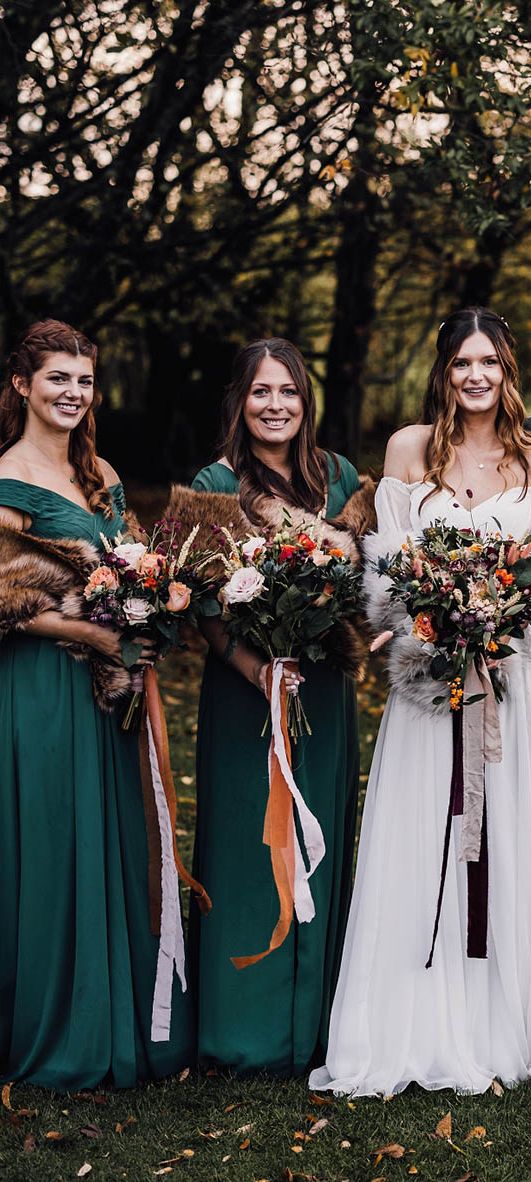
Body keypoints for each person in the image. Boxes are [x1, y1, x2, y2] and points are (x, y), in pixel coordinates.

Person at [310, 307, 531, 1097]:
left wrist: (502, 622)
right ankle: (413, 1023)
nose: (477, 376)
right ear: (443, 372)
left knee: (507, 837)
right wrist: (431, 624)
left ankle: (499, 1018)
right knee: (424, 835)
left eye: (492, 363)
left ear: (509, 371)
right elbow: (385, 573)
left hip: (514, 677)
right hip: (427, 683)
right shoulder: (411, 448)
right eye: (462, 363)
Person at [0, 319, 193, 1091]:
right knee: (55, 841)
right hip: (43, 685)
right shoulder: (7, 482)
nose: (73, 393)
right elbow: (7, 603)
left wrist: (154, 600)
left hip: (111, 690)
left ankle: (122, 1018)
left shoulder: (101, 473)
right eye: (57, 379)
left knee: (117, 836)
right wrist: (98, 634)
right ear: (22, 385)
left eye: (83, 380)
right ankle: (61, 1030)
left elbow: (135, 556)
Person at [188, 338, 361, 1075]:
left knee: (321, 842)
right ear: (241, 400)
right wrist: (257, 668)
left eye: (287, 392)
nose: (275, 405)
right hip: (246, 698)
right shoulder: (216, 481)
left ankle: (317, 1024)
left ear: (305, 401)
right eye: (261, 392)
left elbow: (362, 581)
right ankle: (243, 1029)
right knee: (247, 848)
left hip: (322, 689)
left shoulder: (343, 478)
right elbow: (203, 603)